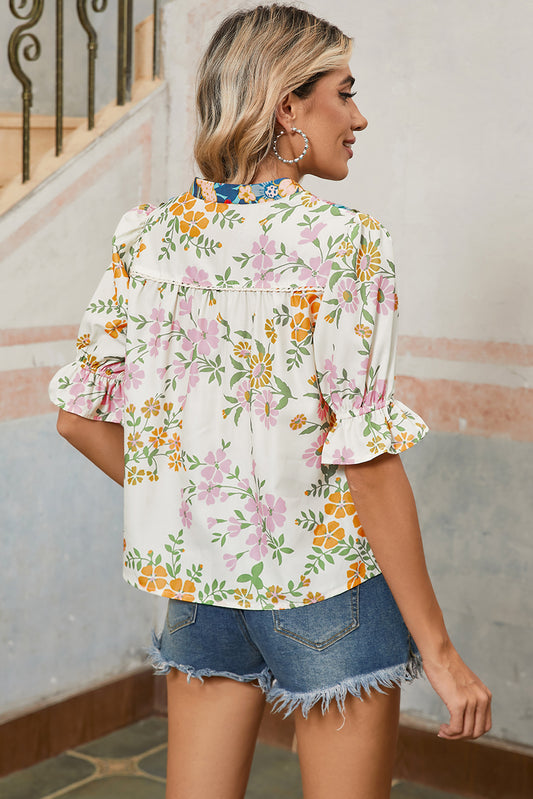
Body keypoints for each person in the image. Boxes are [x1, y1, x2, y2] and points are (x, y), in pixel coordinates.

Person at [49, 5, 492, 798]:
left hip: (200, 590)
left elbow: (78, 419)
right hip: (328, 594)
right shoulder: (342, 242)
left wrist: (203, 509)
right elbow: (367, 459)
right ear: (287, 106)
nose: (358, 117)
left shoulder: (145, 236)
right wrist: (442, 652)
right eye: (343, 93)